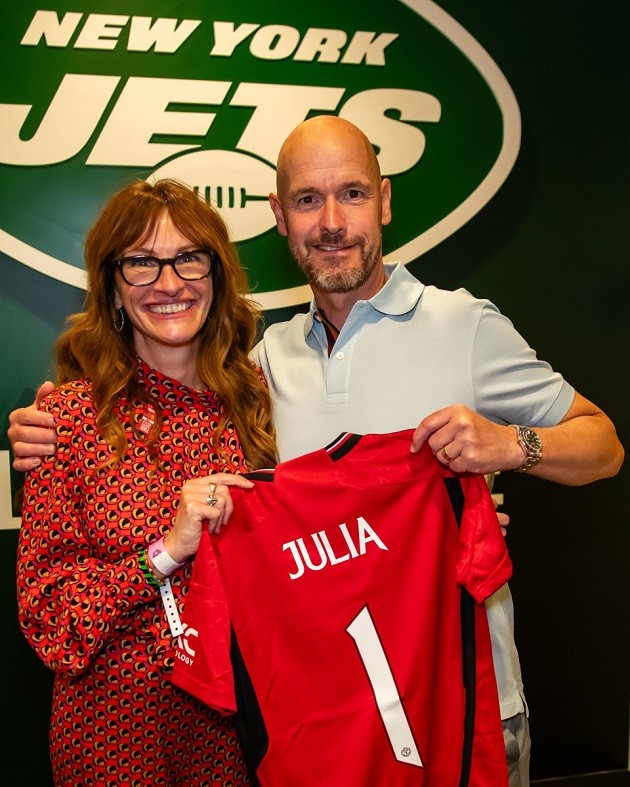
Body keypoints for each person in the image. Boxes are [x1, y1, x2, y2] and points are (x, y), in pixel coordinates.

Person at [9, 117, 624, 785]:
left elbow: (605, 445)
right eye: (308, 199)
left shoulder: (464, 325)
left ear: (384, 200)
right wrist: (48, 426)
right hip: (319, 727)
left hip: (465, 708)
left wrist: (507, 446)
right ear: (280, 216)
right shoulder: (262, 371)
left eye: (352, 193)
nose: (332, 222)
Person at [14, 178, 277, 786]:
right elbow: (50, 618)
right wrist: (164, 552)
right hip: (115, 744)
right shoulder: (67, 420)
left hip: (236, 740)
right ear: (112, 286)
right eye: (141, 263)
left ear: (216, 275)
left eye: (188, 258)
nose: (169, 283)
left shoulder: (258, 404)